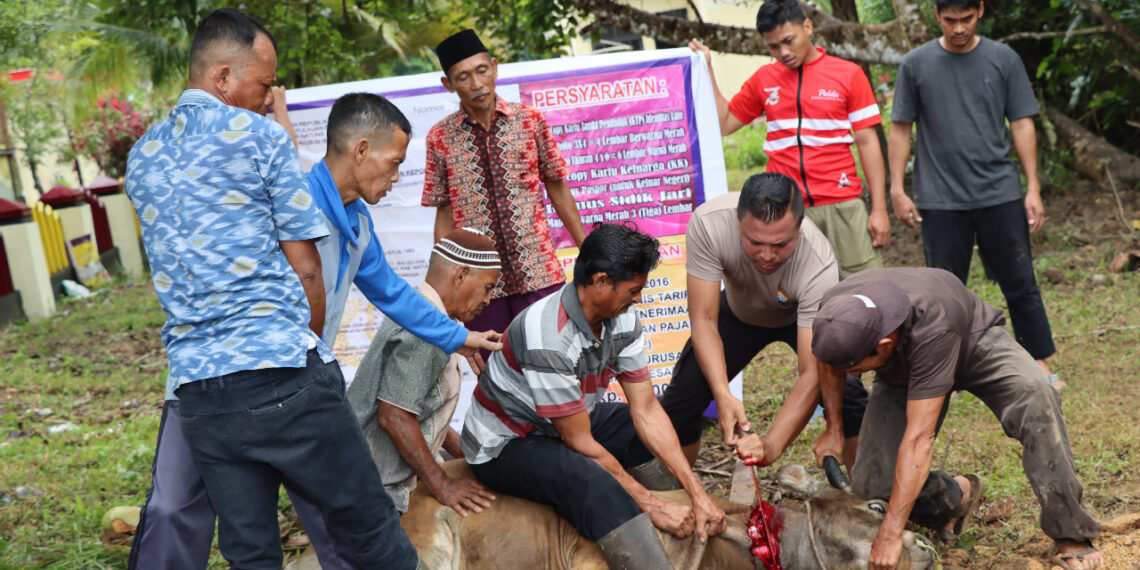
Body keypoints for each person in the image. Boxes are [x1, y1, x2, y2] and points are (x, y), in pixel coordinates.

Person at [129, 90, 504, 567]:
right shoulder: (289, 198)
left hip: (294, 385)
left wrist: (459, 336)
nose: (396, 176)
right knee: (177, 508)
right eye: (393, 163)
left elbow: (392, 292)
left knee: (335, 522)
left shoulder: (358, 222)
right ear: (361, 150)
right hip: (222, 377)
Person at [125, 9, 418, 569]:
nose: (268, 97)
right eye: (263, 84)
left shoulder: (142, 156)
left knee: (250, 553)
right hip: (282, 374)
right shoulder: (259, 137)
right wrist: (304, 356)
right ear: (222, 78)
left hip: (202, 396)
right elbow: (307, 268)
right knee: (371, 529)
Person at [461, 223, 727, 569]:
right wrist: (650, 504)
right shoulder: (548, 336)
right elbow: (578, 442)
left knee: (635, 429)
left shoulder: (623, 319)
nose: (638, 300)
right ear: (601, 282)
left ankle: (689, 518)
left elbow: (645, 410)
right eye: (633, 291)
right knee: (592, 481)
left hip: (564, 421)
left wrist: (697, 493)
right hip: (507, 440)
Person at [811, 267, 1102, 570]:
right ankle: (957, 496)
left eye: (857, 368)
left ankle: (1072, 532)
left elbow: (919, 438)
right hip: (902, 366)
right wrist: (834, 429)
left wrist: (891, 533)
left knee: (1036, 396)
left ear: (882, 345)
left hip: (972, 342)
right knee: (873, 488)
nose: (854, 375)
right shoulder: (835, 313)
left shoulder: (933, 323)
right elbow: (828, 362)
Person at [888, 0, 1064, 389]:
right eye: (950, 20)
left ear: (980, 11)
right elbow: (901, 127)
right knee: (942, 292)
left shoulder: (1003, 59)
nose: (958, 29)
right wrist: (897, 189)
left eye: (966, 19)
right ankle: (941, 368)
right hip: (940, 198)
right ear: (937, 15)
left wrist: (1032, 187)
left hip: (999, 192)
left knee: (1020, 282)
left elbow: (1021, 123)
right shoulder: (915, 65)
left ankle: (1039, 361)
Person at [659, 172, 867, 468]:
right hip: (741, 311)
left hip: (799, 315)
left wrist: (772, 444)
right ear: (737, 222)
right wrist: (722, 393)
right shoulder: (709, 223)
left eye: (781, 244)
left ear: (799, 230)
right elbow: (704, 318)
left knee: (848, 395)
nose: (767, 255)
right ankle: (679, 492)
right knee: (683, 397)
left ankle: (861, 495)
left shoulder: (819, 265)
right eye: (754, 242)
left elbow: (812, 372)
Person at [690, 0, 889, 277]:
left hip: (843, 203)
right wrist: (706, 67)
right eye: (773, 46)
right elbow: (724, 123)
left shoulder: (848, 74)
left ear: (807, 27)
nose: (783, 52)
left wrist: (879, 209)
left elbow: (868, 143)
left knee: (866, 289)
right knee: (794, 297)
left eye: (788, 40)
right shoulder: (763, 79)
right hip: (786, 212)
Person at [422, 29, 587, 340]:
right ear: (448, 84)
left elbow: (557, 186)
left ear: (494, 68)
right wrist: (440, 285)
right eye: (463, 77)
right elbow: (445, 212)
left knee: (556, 365)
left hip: (538, 273)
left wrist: (587, 249)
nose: (476, 84)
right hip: (478, 286)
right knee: (497, 376)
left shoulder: (530, 121)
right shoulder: (439, 138)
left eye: (482, 71)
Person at [347, 228, 501, 516]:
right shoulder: (426, 332)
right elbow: (394, 416)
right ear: (461, 275)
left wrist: (468, 458)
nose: (488, 300)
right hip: (370, 490)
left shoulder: (426, 314)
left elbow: (419, 411)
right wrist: (441, 484)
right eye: (488, 287)